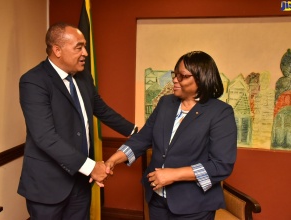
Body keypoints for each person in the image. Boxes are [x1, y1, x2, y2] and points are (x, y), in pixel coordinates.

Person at [17, 22, 136, 220]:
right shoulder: (33, 81)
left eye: (85, 47)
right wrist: (91, 167)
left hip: (81, 183)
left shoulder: (83, 77)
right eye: (79, 47)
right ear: (57, 50)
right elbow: (45, 136)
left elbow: (102, 110)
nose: (86, 53)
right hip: (48, 186)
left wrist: (137, 132)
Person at [105, 51, 237, 220]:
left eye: (183, 76)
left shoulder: (220, 112)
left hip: (194, 206)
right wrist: (112, 160)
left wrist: (173, 174)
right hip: (157, 199)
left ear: (201, 78)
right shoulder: (166, 103)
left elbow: (222, 165)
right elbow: (142, 138)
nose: (175, 79)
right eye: (175, 74)